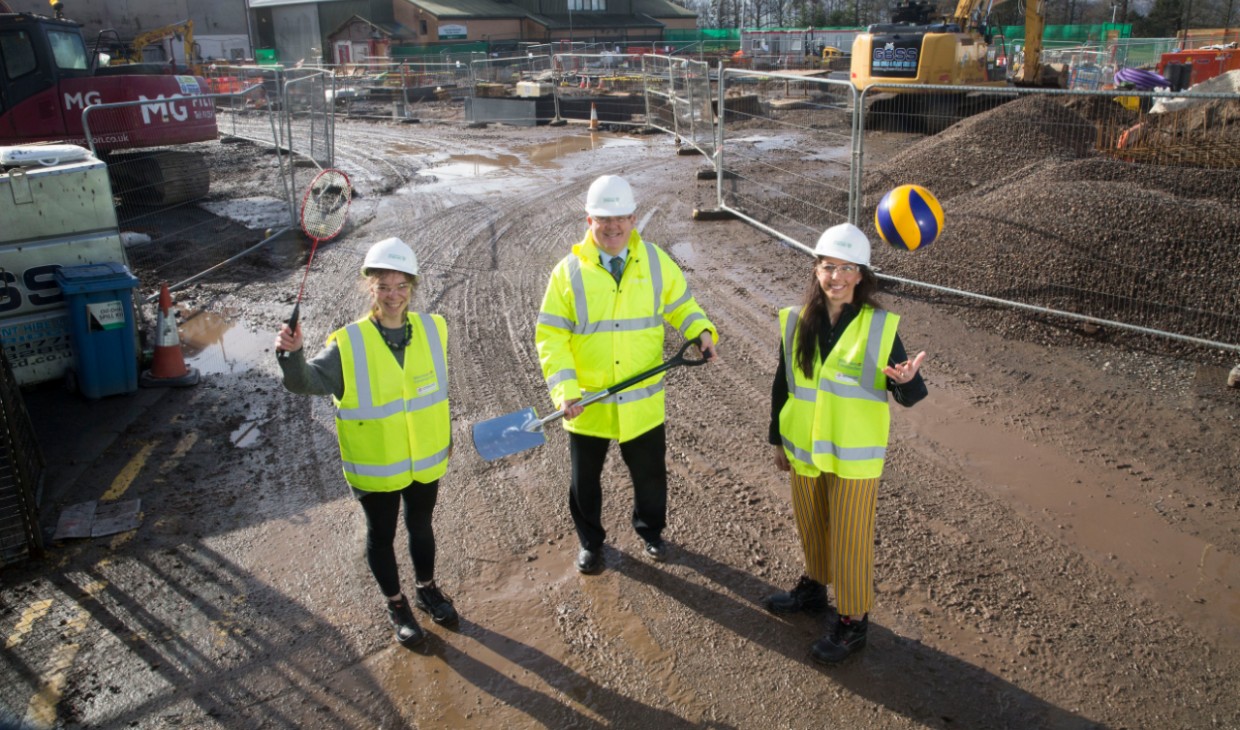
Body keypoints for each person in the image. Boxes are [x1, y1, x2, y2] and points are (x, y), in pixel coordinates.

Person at [275, 237, 458, 648]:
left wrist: (444, 436)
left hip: (424, 457)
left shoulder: (434, 329)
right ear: (369, 288)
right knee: (382, 534)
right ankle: (397, 605)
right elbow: (306, 382)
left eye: (401, 286)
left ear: (412, 286)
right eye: (384, 287)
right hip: (377, 463)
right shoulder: (349, 343)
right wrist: (292, 355)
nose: (393, 296)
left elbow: (437, 390)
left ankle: (427, 589)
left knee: (421, 525)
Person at [535, 175, 718, 575]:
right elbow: (551, 337)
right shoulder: (568, 273)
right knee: (584, 482)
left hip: (641, 401)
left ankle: (651, 532)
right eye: (604, 219)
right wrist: (565, 390)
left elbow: (681, 305)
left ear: (633, 219)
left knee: (650, 477)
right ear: (589, 221)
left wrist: (700, 331)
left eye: (620, 218)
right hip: (588, 403)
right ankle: (590, 543)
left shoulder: (655, 261)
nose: (613, 226)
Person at [765, 223, 927, 664]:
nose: (835, 276)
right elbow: (783, 383)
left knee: (850, 538)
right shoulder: (796, 320)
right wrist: (777, 440)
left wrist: (907, 382)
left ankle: (853, 622)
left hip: (854, 455)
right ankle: (815, 588)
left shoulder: (879, 327)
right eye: (828, 266)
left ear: (861, 275)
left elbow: (908, 393)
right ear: (816, 270)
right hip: (804, 448)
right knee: (812, 523)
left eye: (846, 268)